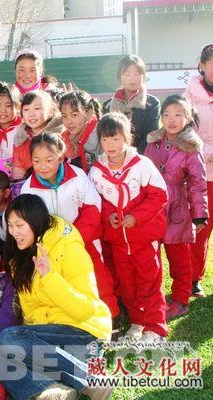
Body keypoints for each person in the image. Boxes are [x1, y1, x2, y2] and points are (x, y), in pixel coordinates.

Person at [0, 194, 112, 400]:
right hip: (46, 341)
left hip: (83, 334)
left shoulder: (68, 248)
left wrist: (49, 277)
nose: (13, 232)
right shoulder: (19, 258)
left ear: (35, 222)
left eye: (19, 225)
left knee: (10, 339)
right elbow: (31, 315)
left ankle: (90, 379)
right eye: (10, 225)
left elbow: (85, 310)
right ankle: (49, 389)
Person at [89, 112, 168, 342]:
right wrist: (109, 216)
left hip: (144, 238)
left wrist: (137, 217)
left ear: (127, 138)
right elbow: (96, 202)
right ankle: (137, 321)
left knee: (149, 281)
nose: (110, 145)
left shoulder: (142, 165)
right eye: (105, 139)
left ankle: (155, 327)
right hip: (118, 242)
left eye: (116, 139)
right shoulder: (97, 172)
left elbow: (159, 196)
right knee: (127, 285)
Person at [21, 133, 118, 318]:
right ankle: (73, 320)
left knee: (98, 278)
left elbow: (92, 208)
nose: (43, 166)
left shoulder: (77, 176)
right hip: (51, 247)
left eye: (49, 160)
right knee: (64, 283)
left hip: (85, 241)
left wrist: (75, 238)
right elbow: (30, 223)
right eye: (37, 161)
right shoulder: (28, 189)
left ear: (60, 157)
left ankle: (109, 316)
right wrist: (53, 242)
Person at [144, 95, 208, 318]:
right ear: (161, 118)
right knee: (151, 257)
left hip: (178, 210)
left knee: (179, 259)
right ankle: (154, 298)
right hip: (153, 208)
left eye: (178, 115)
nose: (172, 120)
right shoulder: (153, 142)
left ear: (188, 117)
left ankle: (181, 299)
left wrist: (200, 214)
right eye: (167, 115)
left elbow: (198, 183)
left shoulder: (191, 147)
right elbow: (143, 173)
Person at [184, 43, 213, 298]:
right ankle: (193, 278)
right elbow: (186, 136)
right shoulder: (189, 97)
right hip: (203, 175)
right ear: (202, 66)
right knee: (201, 227)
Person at [103, 54, 160, 154]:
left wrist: (133, 157)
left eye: (137, 74)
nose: (132, 79)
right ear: (119, 76)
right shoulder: (108, 105)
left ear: (143, 76)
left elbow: (150, 136)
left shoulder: (152, 103)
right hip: (114, 156)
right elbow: (105, 136)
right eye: (127, 74)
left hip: (142, 157)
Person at [11, 90, 65, 180]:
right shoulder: (20, 138)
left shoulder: (62, 134)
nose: (31, 114)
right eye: (26, 109)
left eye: (37, 108)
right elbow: (18, 172)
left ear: (51, 111)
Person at [59, 90, 102, 172]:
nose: (68, 121)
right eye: (64, 116)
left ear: (89, 113)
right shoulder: (65, 138)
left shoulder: (102, 136)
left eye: (74, 115)